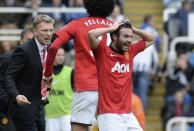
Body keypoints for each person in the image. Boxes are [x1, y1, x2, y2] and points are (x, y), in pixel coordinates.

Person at [43, 0, 115, 131]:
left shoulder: (77, 24)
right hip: (110, 87)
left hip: (85, 87)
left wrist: (48, 74)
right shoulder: (115, 27)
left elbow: (53, 47)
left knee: (78, 127)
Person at [88, 20, 155, 131]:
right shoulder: (102, 51)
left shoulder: (130, 51)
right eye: (125, 36)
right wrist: (111, 28)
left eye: (131, 37)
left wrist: (133, 29)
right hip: (108, 114)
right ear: (114, 36)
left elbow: (152, 38)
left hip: (127, 114)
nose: (129, 40)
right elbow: (91, 34)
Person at [5, 14, 54, 131]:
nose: (48, 34)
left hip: (40, 106)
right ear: (35, 31)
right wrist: (16, 95)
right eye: (44, 30)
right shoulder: (24, 50)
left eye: (51, 30)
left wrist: (47, 85)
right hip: (24, 108)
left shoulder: (50, 47)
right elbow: (9, 76)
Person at [45, 47, 74, 131]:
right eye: (58, 55)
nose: (61, 57)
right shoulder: (46, 72)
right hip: (50, 114)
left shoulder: (70, 71)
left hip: (66, 114)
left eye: (62, 55)